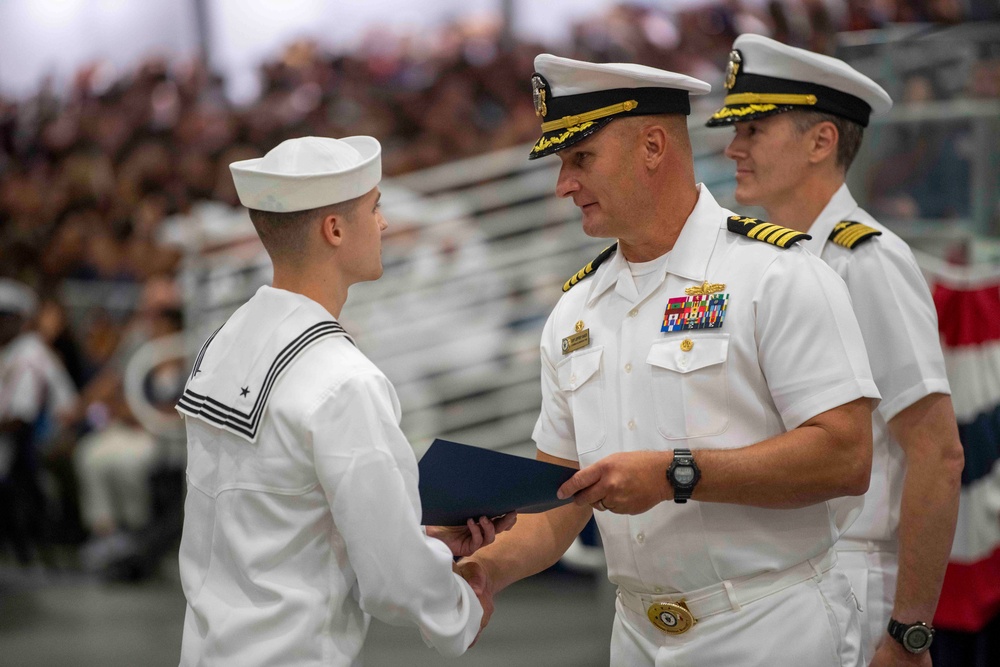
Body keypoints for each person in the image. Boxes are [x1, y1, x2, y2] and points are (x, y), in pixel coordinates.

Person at [459, 53, 881, 666]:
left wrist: (677, 474)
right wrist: (481, 571)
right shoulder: (576, 311)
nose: (563, 184)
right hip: (636, 635)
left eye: (581, 159)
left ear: (653, 145)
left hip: (770, 626)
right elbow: (559, 504)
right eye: (561, 163)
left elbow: (846, 456)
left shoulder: (776, 275)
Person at [175, 135, 515, 666]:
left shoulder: (222, 341)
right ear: (334, 229)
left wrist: (418, 537)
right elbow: (394, 580)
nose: (383, 224)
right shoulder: (343, 379)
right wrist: (459, 613)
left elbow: (274, 513)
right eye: (374, 208)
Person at [706, 34, 964, 665]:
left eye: (755, 130)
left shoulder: (866, 260)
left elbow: (936, 450)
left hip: (852, 579)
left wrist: (910, 632)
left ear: (821, 142)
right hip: (773, 579)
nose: (732, 148)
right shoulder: (764, 261)